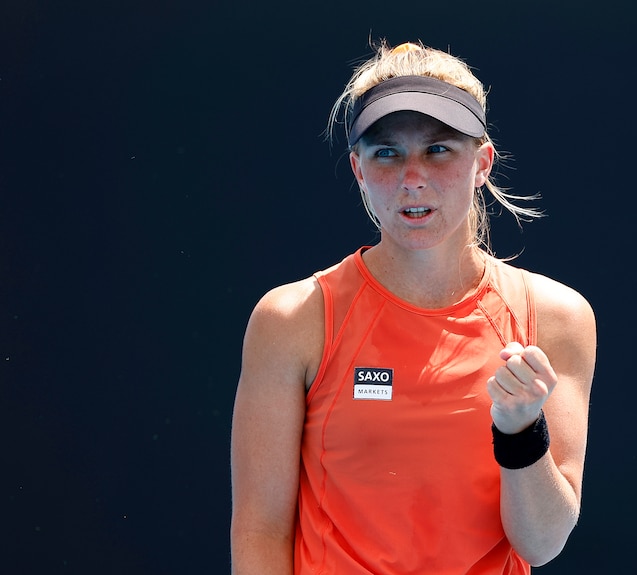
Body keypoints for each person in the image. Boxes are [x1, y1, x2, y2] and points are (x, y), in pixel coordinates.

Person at [230, 40, 596, 574]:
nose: (413, 177)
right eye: (388, 152)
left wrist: (521, 431)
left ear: (482, 162)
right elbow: (261, 532)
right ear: (358, 169)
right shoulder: (292, 320)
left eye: (439, 149)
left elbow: (541, 543)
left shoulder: (556, 317)